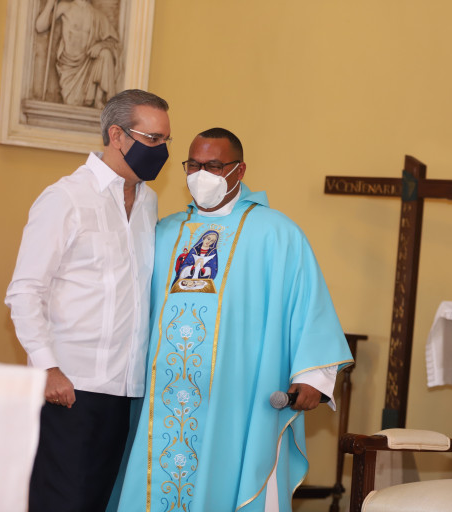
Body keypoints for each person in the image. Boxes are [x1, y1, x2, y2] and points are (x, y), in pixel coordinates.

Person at [116, 128, 354, 512]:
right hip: (164, 395)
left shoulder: (276, 232)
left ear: (239, 170)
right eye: (193, 165)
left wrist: (313, 377)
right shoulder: (165, 232)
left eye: (213, 166)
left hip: (240, 397)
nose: (200, 175)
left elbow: (309, 303)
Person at [5, 88, 171, 512]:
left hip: (128, 391)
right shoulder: (66, 198)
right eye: (153, 139)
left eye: (166, 140)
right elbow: (25, 291)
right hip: (72, 388)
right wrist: (48, 368)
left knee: (103, 503)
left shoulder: (149, 203)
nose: (162, 150)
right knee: (63, 502)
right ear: (117, 135)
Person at [36, 0, 120, 108]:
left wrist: (100, 45)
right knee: (73, 103)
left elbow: (114, 42)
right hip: (69, 66)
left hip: (88, 64)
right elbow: (40, 27)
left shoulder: (97, 16)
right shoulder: (66, 7)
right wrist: (50, 4)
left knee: (105, 53)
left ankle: (101, 99)